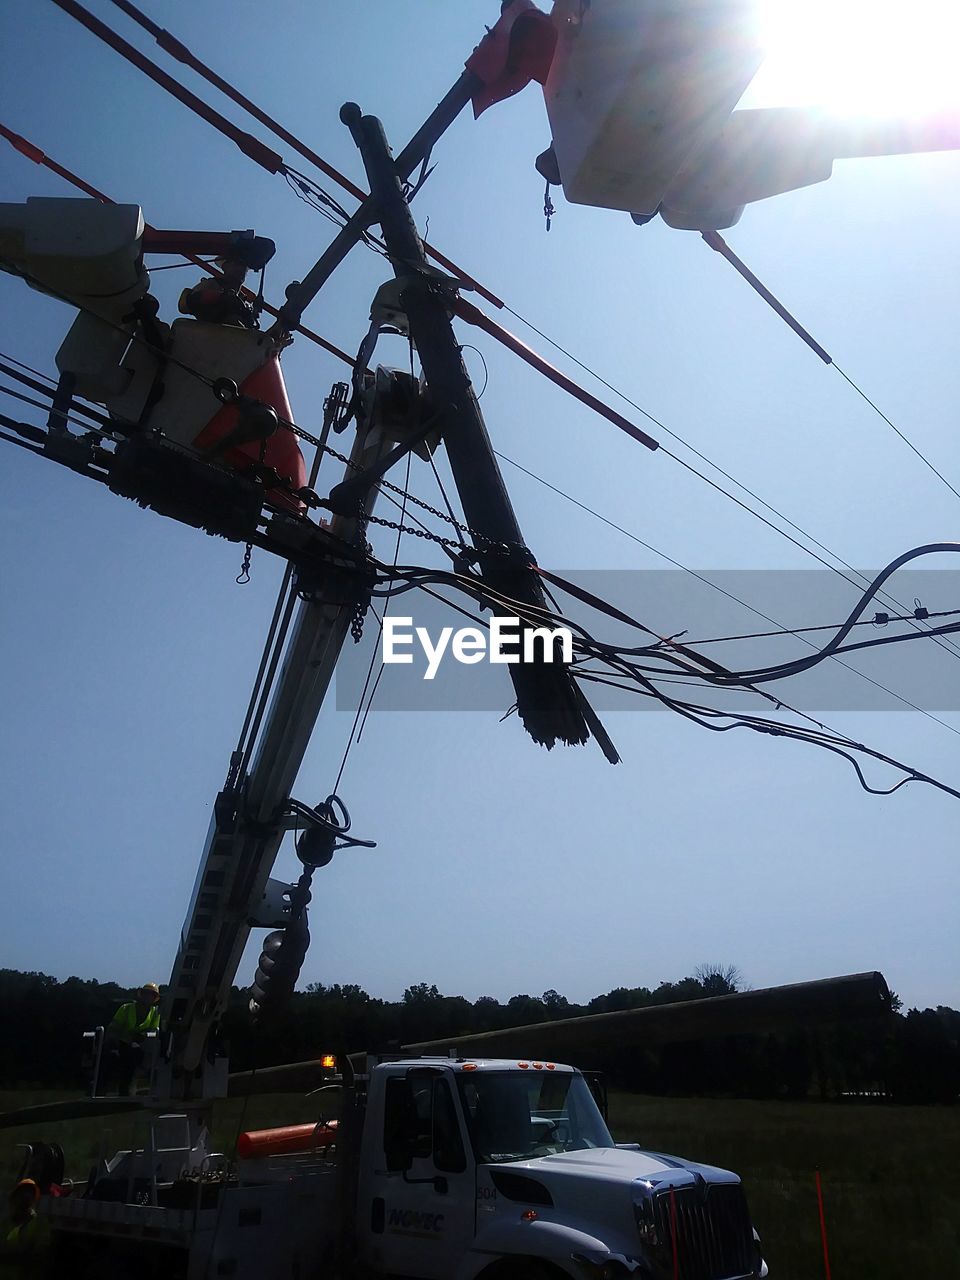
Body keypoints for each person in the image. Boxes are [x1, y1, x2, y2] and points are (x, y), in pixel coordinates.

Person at [104, 983, 161, 1096]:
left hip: (143, 1045)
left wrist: (143, 1035)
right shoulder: (126, 1008)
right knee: (123, 1057)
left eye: (151, 995)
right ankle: (116, 1090)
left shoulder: (155, 1013)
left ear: (155, 998)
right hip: (121, 1043)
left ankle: (141, 1090)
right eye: (146, 994)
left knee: (141, 1056)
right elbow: (113, 1028)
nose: (148, 997)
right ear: (141, 995)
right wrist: (115, 1043)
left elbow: (155, 1030)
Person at [0, 1179, 50, 1277]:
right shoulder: (4, 1224)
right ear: (14, 1198)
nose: (25, 1197)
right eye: (22, 1193)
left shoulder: (40, 1224)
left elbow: (41, 1255)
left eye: (29, 1194)